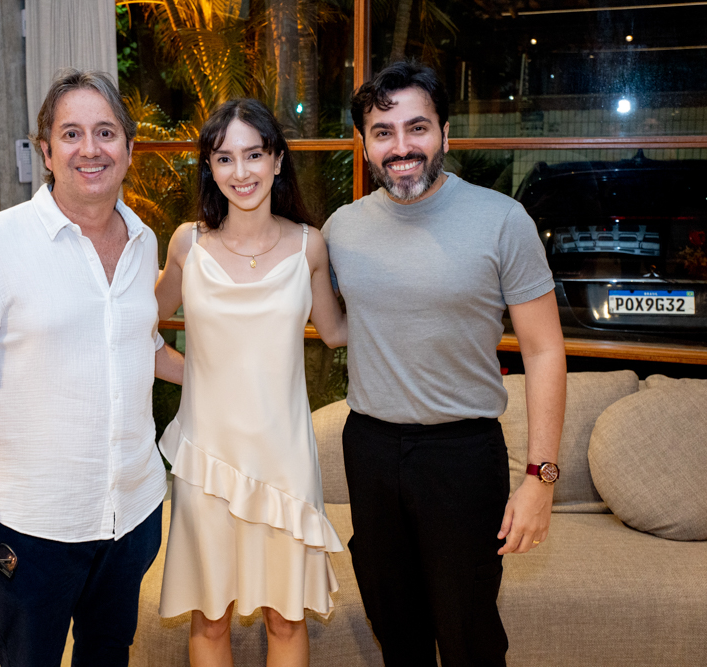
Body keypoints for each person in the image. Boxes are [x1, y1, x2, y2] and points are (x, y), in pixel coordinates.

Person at [0, 69, 183, 667]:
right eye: (71, 134)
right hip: (33, 528)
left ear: (129, 148)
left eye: (105, 132)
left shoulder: (144, 241)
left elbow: (138, 347)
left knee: (108, 655)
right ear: (46, 151)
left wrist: (232, 378)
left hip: (133, 511)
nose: (90, 150)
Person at [322, 60, 566, 667]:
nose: (401, 147)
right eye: (383, 131)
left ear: (446, 133)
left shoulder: (503, 220)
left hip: (463, 455)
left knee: (469, 635)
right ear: (364, 142)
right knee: (393, 625)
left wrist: (541, 478)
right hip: (371, 449)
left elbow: (543, 350)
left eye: (416, 127)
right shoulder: (339, 231)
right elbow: (339, 328)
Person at [154, 98, 347, 667]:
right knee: (209, 617)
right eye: (225, 158)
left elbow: (337, 332)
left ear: (278, 160)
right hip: (208, 456)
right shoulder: (187, 244)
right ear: (210, 169)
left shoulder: (310, 245)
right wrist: (197, 376)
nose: (242, 172)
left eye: (254, 154)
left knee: (285, 617)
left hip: (283, 459)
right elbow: (130, 328)